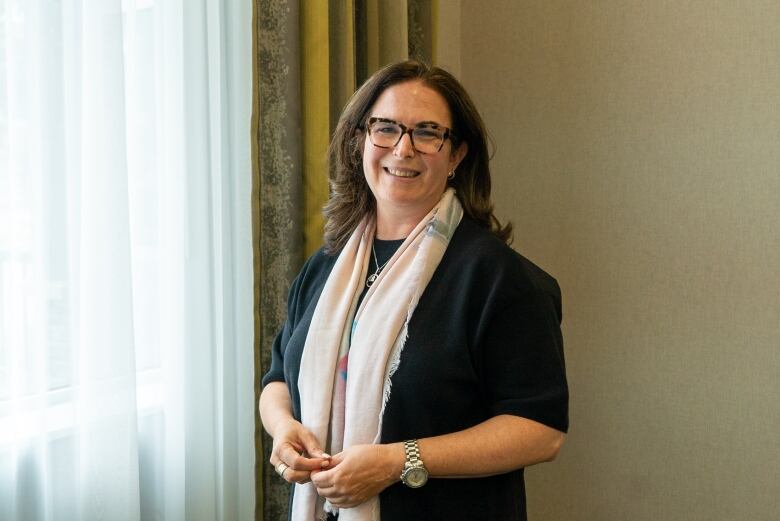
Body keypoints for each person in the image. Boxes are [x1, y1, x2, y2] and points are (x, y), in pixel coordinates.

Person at [259, 60, 568, 521]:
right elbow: (278, 379)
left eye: (427, 133)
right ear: (360, 139)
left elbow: (540, 432)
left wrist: (394, 461)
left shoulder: (499, 278)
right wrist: (285, 431)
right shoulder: (327, 266)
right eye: (385, 128)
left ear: (457, 155)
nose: (403, 149)